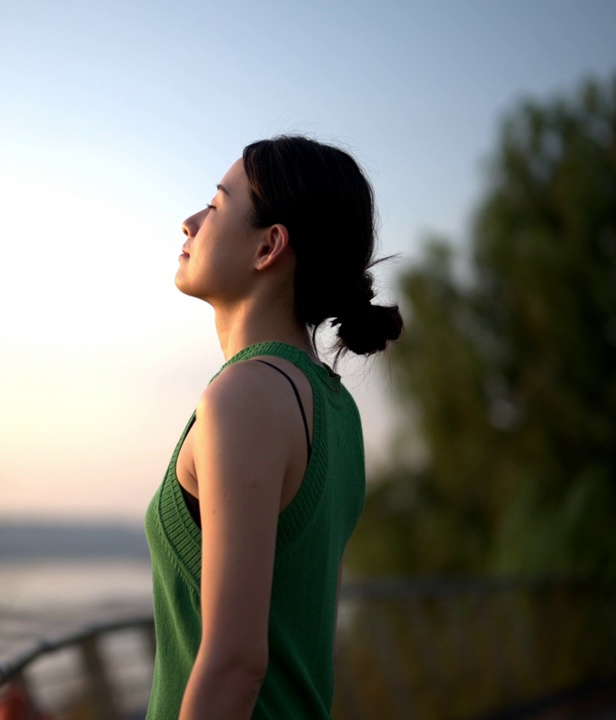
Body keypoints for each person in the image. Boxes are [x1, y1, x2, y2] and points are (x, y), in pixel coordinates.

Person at [143, 135, 403, 719]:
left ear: (269, 246)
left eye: (213, 207)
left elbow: (236, 663)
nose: (189, 222)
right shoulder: (333, 405)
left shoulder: (245, 397)